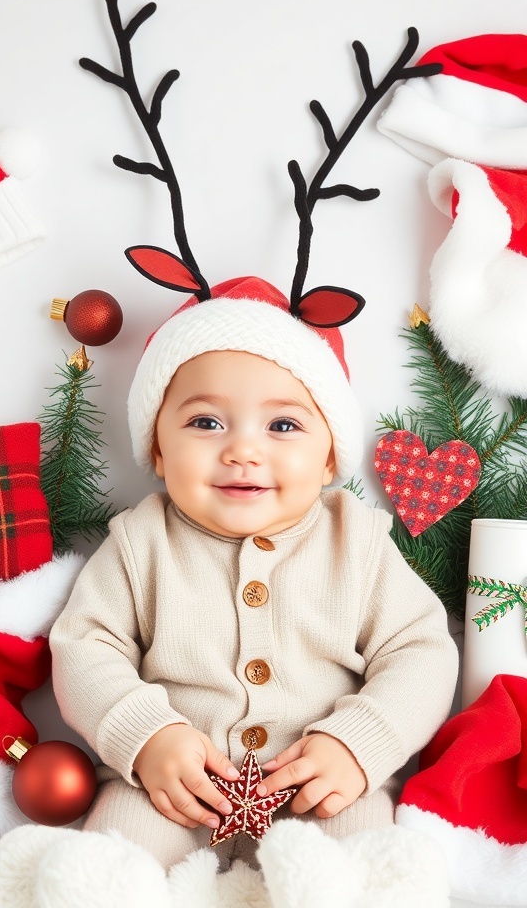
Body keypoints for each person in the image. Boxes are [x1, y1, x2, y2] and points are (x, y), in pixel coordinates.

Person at [49, 275, 459, 872]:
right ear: (158, 450)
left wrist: (359, 743)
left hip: (319, 790)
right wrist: (148, 737)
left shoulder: (358, 542)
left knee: (364, 872)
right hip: (170, 793)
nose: (243, 449)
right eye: (206, 423)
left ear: (327, 458)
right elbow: (83, 649)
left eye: (283, 426)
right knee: (106, 866)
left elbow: (421, 651)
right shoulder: (142, 541)